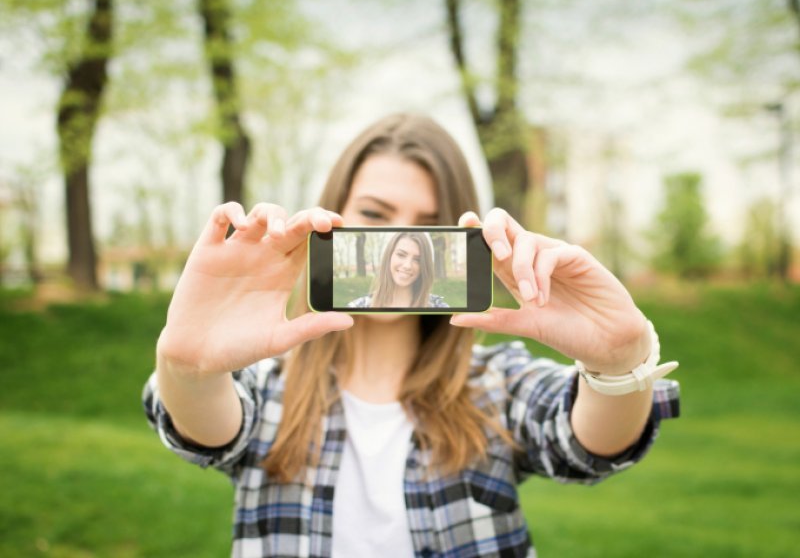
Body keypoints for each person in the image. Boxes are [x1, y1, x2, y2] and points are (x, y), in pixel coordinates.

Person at [143, 113, 680, 558]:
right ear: (333, 215)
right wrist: (188, 366)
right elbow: (202, 421)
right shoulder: (265, 386)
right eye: (374, 214)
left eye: (427, 223)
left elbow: (592, 444)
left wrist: (619, 364)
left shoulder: (497, 384)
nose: (399, 243)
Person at [346, 231, 449, 308]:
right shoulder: (357, 307)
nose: (407, 265)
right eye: (401, 255)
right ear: (389, 256)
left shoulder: (440, 308)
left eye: (417, 260)